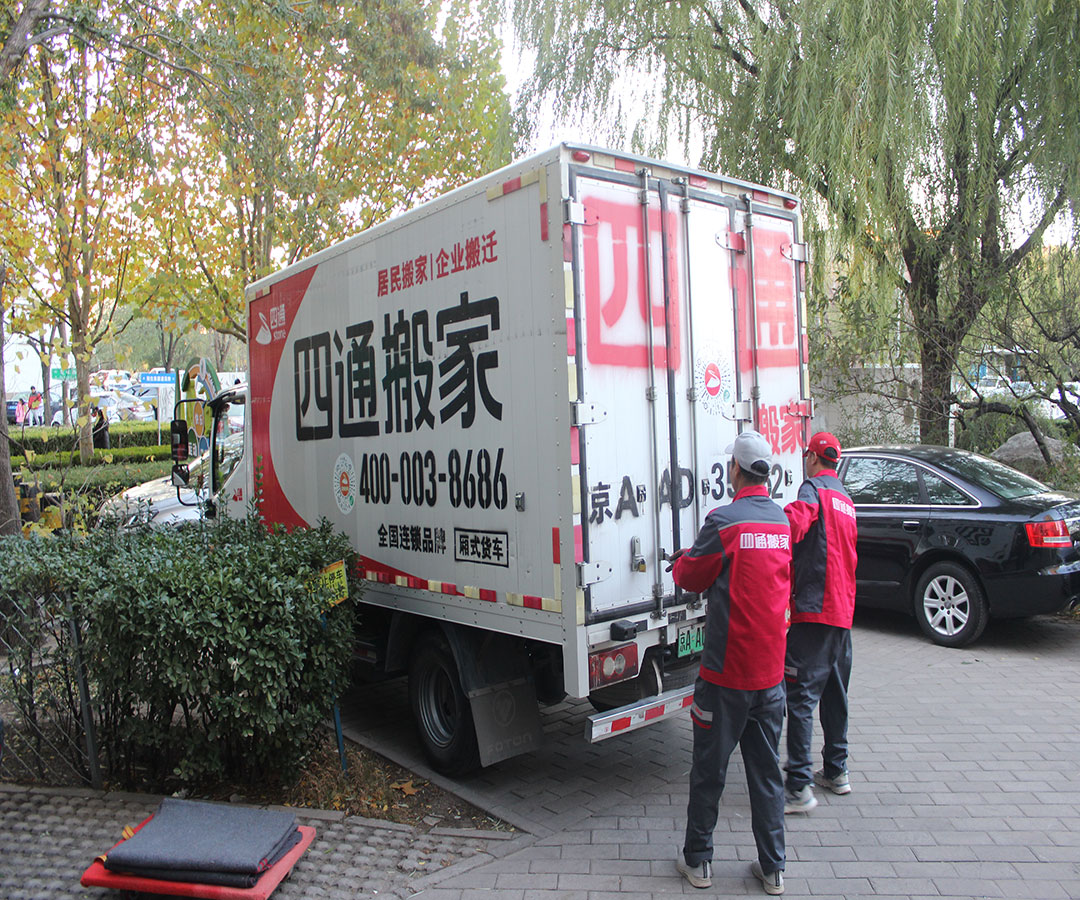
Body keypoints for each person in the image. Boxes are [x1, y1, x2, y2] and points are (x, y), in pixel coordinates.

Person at [672, 430, 791, 896]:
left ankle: (699, 862)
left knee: (709, 771)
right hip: (770, 677)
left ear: (735, 470)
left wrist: (681, 561)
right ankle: (773, 868)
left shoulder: (724, 522)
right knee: (766, 775)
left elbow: (691, 576)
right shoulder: (781, 522)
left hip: (725, 677)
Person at [782, 432, 859, 815]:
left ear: (813, 458)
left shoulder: (812, 490)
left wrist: (767, 524)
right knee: (834, 694)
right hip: (843, 613)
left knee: (799, 697)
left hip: (815, 610)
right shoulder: (846, 499)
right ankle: (836, 771)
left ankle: (798, 786)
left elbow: (796, 524)